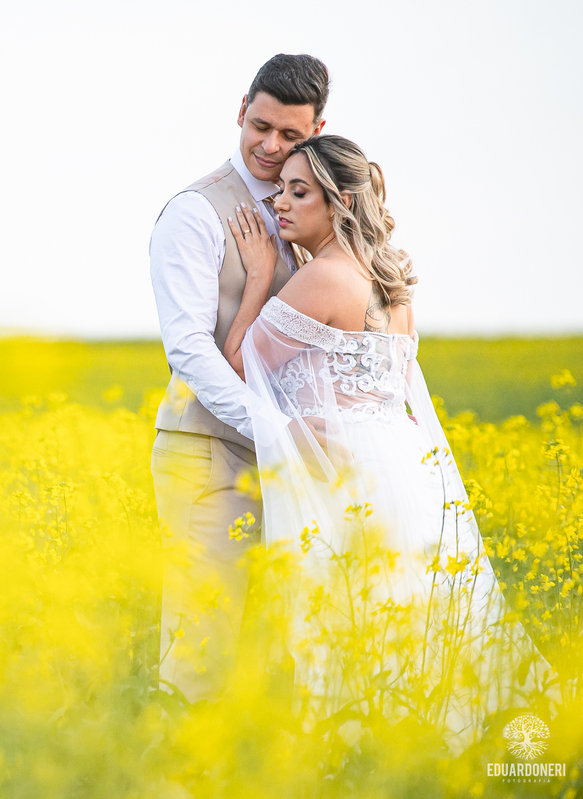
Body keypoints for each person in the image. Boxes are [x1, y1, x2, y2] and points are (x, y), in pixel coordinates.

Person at [222, 134, 557, 748]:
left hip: (341, 471)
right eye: (281, 191)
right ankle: (430, 750)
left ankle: (355, 754)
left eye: (299, 193)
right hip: (402, 468)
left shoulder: (324, 277)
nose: (280, 204)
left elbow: (242, 359)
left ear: (340, 202)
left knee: (347, 620)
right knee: (405, 613)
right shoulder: (392, 283)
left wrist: (259, 279)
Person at [149, 53, 327, 705]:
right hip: (210, 452)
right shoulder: (195, 212)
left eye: (291, 136)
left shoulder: (313, 214)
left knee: (273, 661)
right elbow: (189, 351)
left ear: (318, 130)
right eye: (260, 126)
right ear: (240, 111)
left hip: (291, 464)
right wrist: (272, 429)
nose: (271, 147)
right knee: (201, 654)